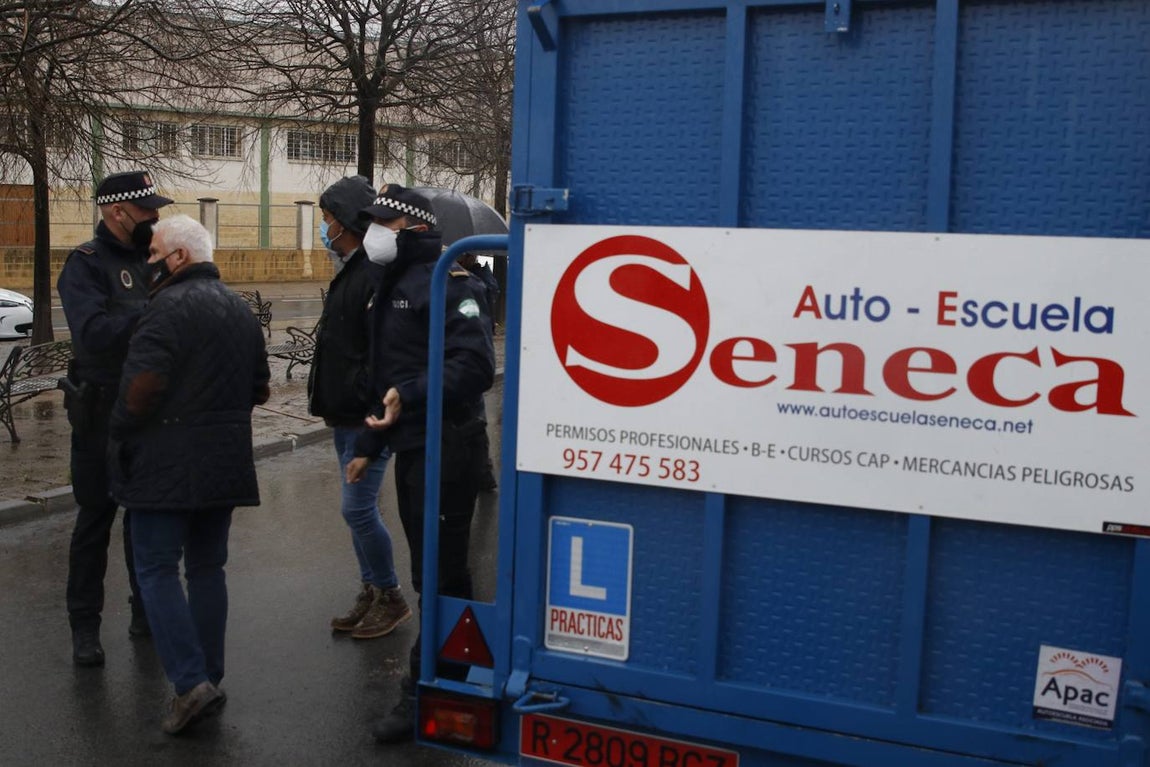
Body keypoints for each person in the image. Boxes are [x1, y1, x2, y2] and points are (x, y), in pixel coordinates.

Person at [108, 214, 270, 735]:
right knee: (206, 569)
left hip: (163, 464)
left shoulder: (163, 311)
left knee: (155, 570)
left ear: (178, 258)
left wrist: (117, 428)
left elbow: (139, 394)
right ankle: (209, 677)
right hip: (224, 461)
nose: (148, 262)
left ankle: (188, 683)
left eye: (154, 254)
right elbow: (260, 388)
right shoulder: (240, 309)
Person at [345, 184, 495, 743]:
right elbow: (387, 377)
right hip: (412, 445)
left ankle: (428, 689)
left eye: (381, 223)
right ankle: (450, 672)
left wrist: (408, 394)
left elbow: (475, 366)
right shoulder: (387, 285)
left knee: (442, 570)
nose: (372, 233)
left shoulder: (450, 283)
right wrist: (368, 445)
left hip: (448, 446)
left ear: (408, 228)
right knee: (430, 568)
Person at [57, 170, 172, 667]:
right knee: (95, 520)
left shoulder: (157, 261)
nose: (155, 217)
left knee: (144, 519)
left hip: (149, 412)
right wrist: (154, 314)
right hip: (101, 411)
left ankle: (144, 612)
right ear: (117, 212)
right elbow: (94, 332)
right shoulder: (84, 265)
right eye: (147, 209)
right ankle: (85, 626)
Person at [309, 176, 411, 639]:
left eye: (327, 219)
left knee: (358, 510)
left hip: (365, 416)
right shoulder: (354, 269)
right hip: (346, 413)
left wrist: (374, 420)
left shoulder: (372, 274)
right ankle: (370, 589)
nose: (324, 227)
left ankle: (391, 596)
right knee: (355, 510)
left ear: (346, 223)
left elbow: (384, 355)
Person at [457, 252, 499, 492]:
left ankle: (483, 472)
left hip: (474, 355)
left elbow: (487, 297)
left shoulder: (480, 278)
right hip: (468, 352)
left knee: (476, 418)